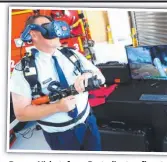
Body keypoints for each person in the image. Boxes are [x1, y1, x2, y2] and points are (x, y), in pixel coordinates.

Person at [10, 15, 105, 151]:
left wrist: (88, 75)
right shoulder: (23, 70)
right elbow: (21, 113)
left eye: (54, 26)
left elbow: (101, 77)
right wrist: (57, 107)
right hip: (61, 137)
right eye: (48, 27)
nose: (56, 31)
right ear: (33, 34)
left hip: (89, 124)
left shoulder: (72, 54)